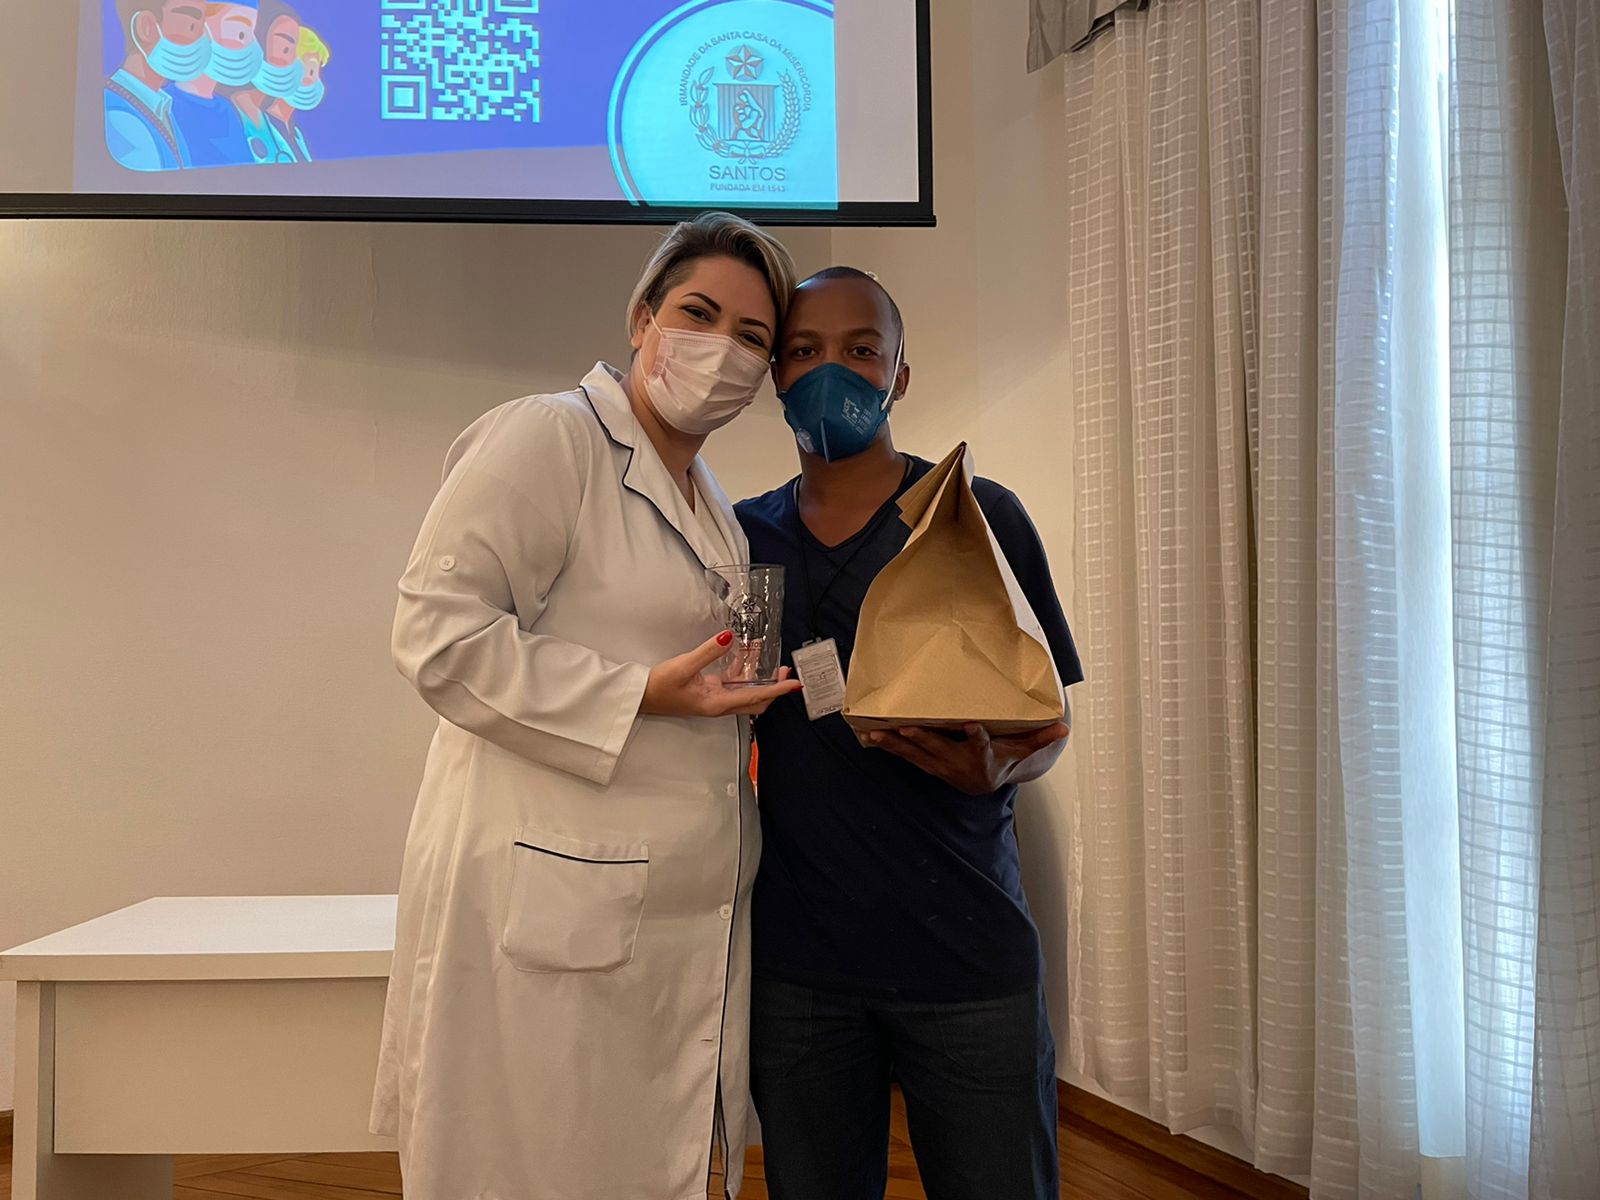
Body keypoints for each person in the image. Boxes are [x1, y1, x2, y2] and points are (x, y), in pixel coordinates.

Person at [370, 213, 803, 1200]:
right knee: (533, 1156)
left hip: (675, 910)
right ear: (643, 317)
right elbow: (437, 635)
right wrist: (639, 693)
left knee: (635, 1157)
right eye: (699, 314)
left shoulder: (711, 503)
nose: (723, 350)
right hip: (555, 897)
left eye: (752, 336)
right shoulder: (550, 435)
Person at [736, 267, 1083, 1200]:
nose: (830, 371)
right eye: (803, 351)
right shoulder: (741, 539)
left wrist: (997, 768)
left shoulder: (974, 516)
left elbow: (1051, 725)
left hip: (966, 957)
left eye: (860, 350)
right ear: (775, 375)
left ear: (900, 373)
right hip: (800, 971)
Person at [105, 0, 207, 171]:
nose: (201, 41)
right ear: (146, 27)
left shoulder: (161, 106)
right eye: (192, 26)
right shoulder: (117, 116)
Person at [167, 0, 259, 168]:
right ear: (198, 27)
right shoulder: (165, 105)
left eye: (250, 34)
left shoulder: (226, 108)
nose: (247, 46)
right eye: (240, 33)